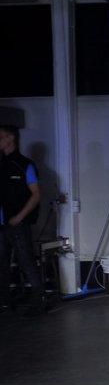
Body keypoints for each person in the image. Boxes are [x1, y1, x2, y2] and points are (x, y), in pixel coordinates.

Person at [0, 125, 44, 316]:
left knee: (26, 261)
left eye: (1, 137)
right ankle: (4, 302)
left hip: (18, 222)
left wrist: (20, 216)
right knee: (2, 264)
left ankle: (38, 301)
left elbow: (36, 194)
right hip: (2, 223)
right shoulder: (2, 164)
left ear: (10, 138)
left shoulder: (24, 164)